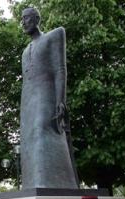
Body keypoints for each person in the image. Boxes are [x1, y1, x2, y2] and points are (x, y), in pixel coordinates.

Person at [20, 7, 78, 189]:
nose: (23, 23)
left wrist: (61, 100)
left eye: (27, 18)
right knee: (28, 142)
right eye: (21, 19)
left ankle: (47, 183)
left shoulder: (54, 36)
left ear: (37, 19)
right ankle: (32, 184)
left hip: (46, 96)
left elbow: (60, 70)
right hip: (28, 100)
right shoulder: (24, 52)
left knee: (42, 131)